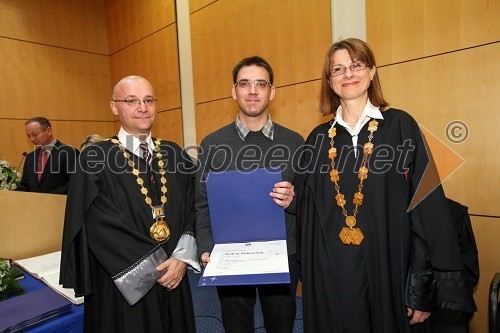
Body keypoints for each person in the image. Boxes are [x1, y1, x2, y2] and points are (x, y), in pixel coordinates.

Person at [298, 38, 476, 333]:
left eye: (356, 65)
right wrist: (289, 197)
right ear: (330, 82)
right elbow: (306, 211)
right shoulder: (317, 139)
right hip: (333, 276)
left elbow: (426, 208)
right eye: (338, 69)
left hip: (391, 268)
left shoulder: (401, 126)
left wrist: (422, 287)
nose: (348, 74)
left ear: (372, 71)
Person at [60, 76, 200, 333]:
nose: (142, 107)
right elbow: (98, 224)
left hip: (174, 276)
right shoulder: (94, 158)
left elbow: (195, 207)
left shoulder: (174, 153)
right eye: (131, 100)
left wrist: (181, 259)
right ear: (115, 107)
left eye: (148, 100)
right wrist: (155, 269)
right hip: (120, 286)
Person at [195, 56, 304, 333]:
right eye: (245, 83)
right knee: (236, 326)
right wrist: (207, 246)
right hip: (231, 255)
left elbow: (310, 201)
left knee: (281, 325)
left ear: (272, 91)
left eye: (261, 84)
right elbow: (202, 202)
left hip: (282, 254)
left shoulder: (295, 142)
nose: (252, 91)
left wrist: (293, 201)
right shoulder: (212, 143)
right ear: (234, 91)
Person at [18, 117, 79, 194]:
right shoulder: (30, 157)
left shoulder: (69, 152)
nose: (32, 139)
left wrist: (50, 198)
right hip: (33, 204)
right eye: (28, 136)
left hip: (59, 203)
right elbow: (24, 185)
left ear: (48, 131)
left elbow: (75, 182)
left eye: (35, 134)